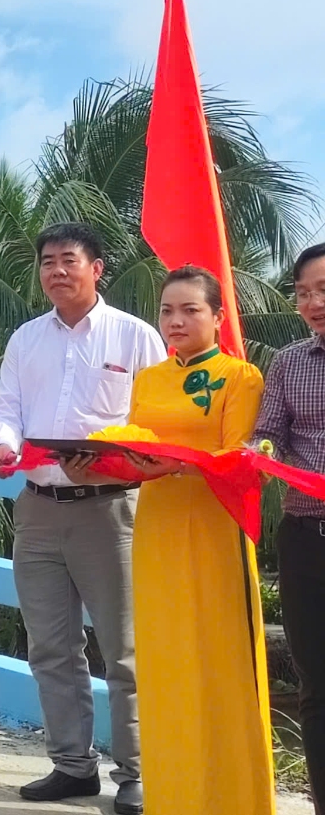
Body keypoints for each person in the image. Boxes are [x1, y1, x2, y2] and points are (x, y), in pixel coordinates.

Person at [62, 266, 272, 814]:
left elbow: (236, 464)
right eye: (167, 311)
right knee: (162, 661)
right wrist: (93, 466)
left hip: (211, 529)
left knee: (217, 658)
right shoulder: (149, 379)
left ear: (218, 318)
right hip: (154, 528)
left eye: (190, 311)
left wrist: (169, 466)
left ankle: (231, 797)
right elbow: (136, 458)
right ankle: (172, 794)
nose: (175, 321)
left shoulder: (239, 377)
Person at [0, 223, 165, 814]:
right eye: (47, 262)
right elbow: (6, 405)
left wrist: (110, 454)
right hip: (37, 509)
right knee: (50, 647)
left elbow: (155, 424)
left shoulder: (136, 337)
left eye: (69, 260)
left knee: (125, 651)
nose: (56, 271)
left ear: (98, 268)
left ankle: (138, 773)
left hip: (110, 510)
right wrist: (6, 443)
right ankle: (72, 764)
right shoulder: (25, 339)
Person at [255, 241, 325, 808]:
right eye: (304, 292)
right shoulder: (289, 362)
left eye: (323, 289)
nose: (313, 302)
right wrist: (260, 453)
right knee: (316, 689)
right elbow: (266, 432)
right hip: (308, 542)